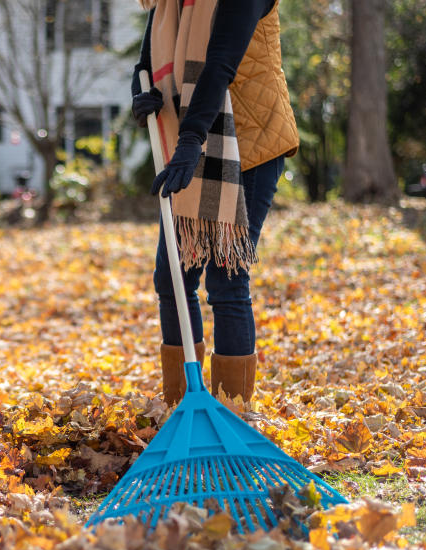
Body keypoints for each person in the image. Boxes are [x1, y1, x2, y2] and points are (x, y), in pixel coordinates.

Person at [130, 0, 299, 410]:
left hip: (250, 144)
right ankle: (182, 407)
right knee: (172, 275)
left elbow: (221, 61)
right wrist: (142, 92)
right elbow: (145, 60)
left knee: (225, 278)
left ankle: (232, 414)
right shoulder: (169, 2)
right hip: (194, 142)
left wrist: (189, 139)